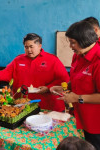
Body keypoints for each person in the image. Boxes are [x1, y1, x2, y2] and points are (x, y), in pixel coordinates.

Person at [0, 33, 69, 112]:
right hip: (23, 105)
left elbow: (64, 79)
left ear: (40, 46)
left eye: (31, 47)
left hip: (48, 106)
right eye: (26, 47)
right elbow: (8, 72)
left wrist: (48, 88)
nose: (29, 50)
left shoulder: (53, 60)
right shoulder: (18, 60)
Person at [50, 21, 100, 149]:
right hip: (79, 116)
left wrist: (77, 98)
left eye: (73, 42)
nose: (71, 46)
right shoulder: (78, 55)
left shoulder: (98, 61)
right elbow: (79, 78)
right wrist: (66, 86)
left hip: (95, 123)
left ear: (84, 40)